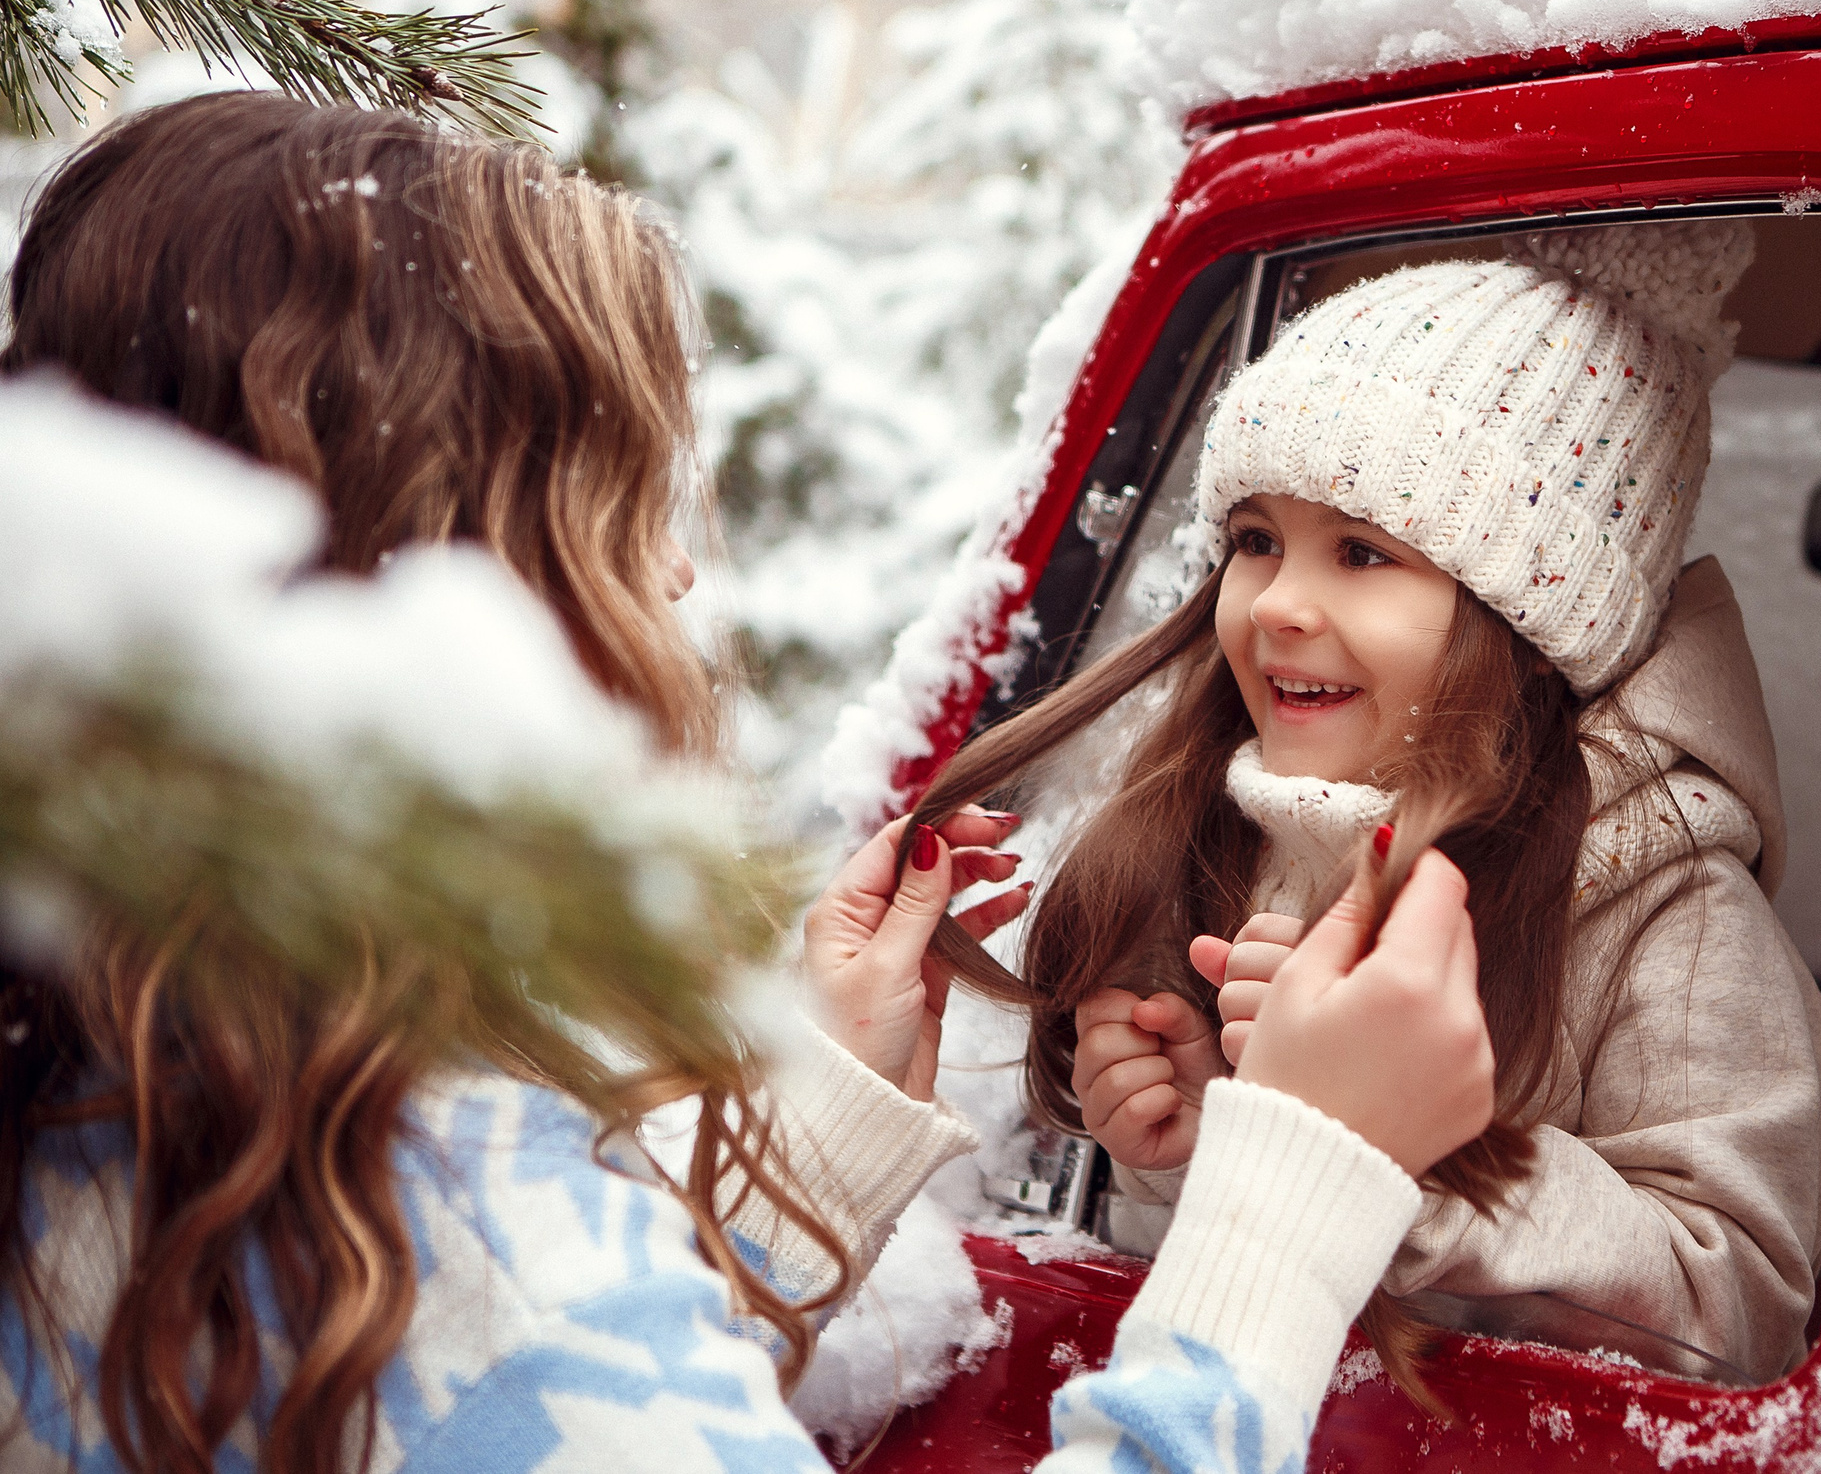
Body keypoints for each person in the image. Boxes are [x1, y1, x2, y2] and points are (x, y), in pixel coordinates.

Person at [0, 92, 1491, 1474]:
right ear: (439, 571)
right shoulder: (427, 1210)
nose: (673, 568)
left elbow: (531, 1408)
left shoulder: (116, 1096)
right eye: (615, 506)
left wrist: (812, 1129)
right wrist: (1295, 1195)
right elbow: (514, 1349)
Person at [910, 223, 1821, 1386]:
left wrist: (1410, 1159)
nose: (1275, 605)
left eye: (1361, 553)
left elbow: (1738, 1308)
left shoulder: (1675, 912)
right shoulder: (1224, 837)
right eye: (1255, 541)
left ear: (1528, 617)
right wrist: (1198, 1138)